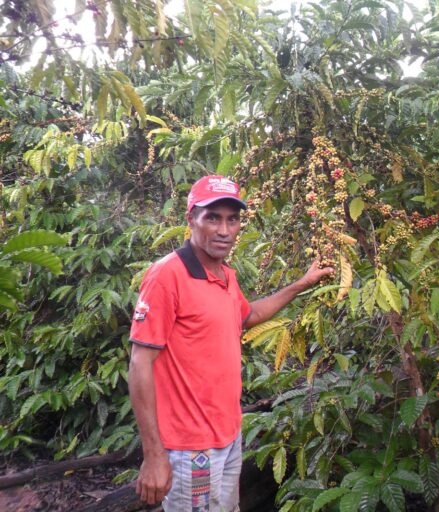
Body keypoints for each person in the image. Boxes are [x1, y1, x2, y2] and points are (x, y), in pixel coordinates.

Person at [128, 175, 333, 511]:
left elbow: (247, 315)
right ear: (191, 219)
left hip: (228, 436)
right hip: (190, 447)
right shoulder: (167, 275)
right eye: (212, 217)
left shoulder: (226, 275)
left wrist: (300, 285)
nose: (224, 230)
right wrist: (153, 455)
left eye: (232, 219)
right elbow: (140, 364)